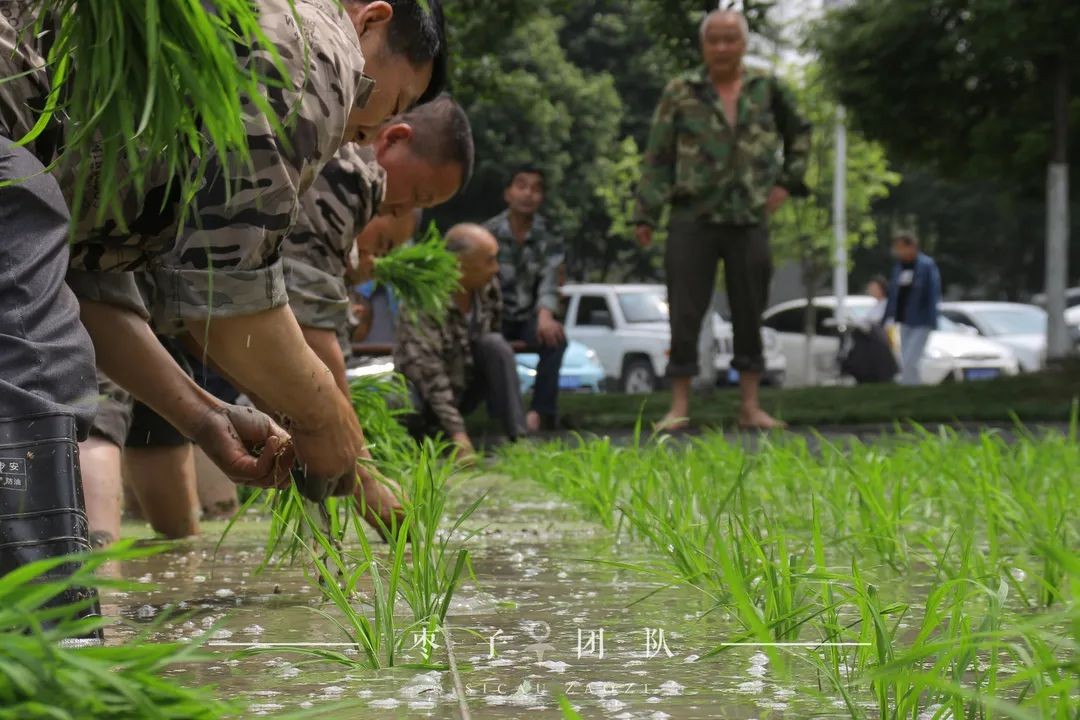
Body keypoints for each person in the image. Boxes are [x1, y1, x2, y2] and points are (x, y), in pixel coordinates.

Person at [1, 0, 446, 601]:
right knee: (39, 365)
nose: (362, 138)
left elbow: (82, 286)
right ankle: (49, 656)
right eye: (390, 105)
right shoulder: (316, 43)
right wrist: (325, 418)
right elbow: (226, 297)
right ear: (370, 22)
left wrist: (204, 416)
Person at [85, 95, 473, 542]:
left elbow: (217, 330)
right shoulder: (354, 171)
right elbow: (309, 332)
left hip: (154, 294)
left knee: (162, 455)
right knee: (99, 420)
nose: (401, 209)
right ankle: (95, 604)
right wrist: (360, 470)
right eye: (417, 195)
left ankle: (154, 571)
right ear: (394, 139)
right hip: (121, 268)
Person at [633, 9, 810, 431]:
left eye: (731, 39)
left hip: (748, 215)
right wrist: (646, 214)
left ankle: (750, 406)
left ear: (744, 44)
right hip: (691, 213)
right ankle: (679, 406)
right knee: (685, 310)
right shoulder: (681, 91)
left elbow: (800, 132)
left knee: (750, 309)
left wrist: (787, 183)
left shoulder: (767, 88)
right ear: (703, 45)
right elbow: (658, 155)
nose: (722, 47)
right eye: (714, 39)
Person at [395, 224, 527, 459]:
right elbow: (429, 373)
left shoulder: (487, 289)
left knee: (496, 345)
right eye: (489, 261)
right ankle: (417, 445)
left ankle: (518, 439)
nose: (496, 269)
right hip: (424, 392)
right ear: (459, 266)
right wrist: (457, 433)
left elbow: (491, 340)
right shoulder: (424, 300)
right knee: (401, 398)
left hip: (463, 382)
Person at [483, 166, 567, 432]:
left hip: (530, 315)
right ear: (508, 193)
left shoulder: (549, 235)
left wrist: (545, 315)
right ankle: (501, 413)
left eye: (536, 188)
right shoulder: (489, 234)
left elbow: (550, 279)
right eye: (521, 186)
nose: (528, 194)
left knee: (555, 339)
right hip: (494, 313)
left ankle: (541, 413)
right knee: (488, 343)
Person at [884, 234, 941, 386]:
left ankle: (908, 386)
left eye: (901, 247)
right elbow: (893, 294)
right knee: (905, 358)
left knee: (911, 358)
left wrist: (931, 317)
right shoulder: (900, 267)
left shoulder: (926, 265)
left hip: (922, 320)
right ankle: (912, 386)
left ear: (912, 247)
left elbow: (932, 293)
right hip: (904, 319)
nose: (898, 251)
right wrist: (888, 316)